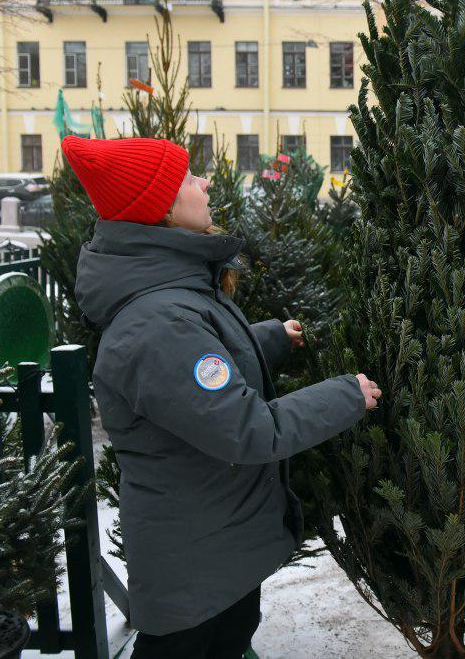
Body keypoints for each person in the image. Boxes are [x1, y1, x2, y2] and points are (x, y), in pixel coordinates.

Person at [63, 135, 381, 659]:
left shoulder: (169, 297)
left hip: (213, 554)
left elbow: (191, 376)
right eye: (188, 178)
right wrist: (345, 395)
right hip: (195, 573)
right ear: (160, 209)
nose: (204, 182)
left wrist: (269, 338)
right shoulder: (157, 322)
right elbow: (247, 428)